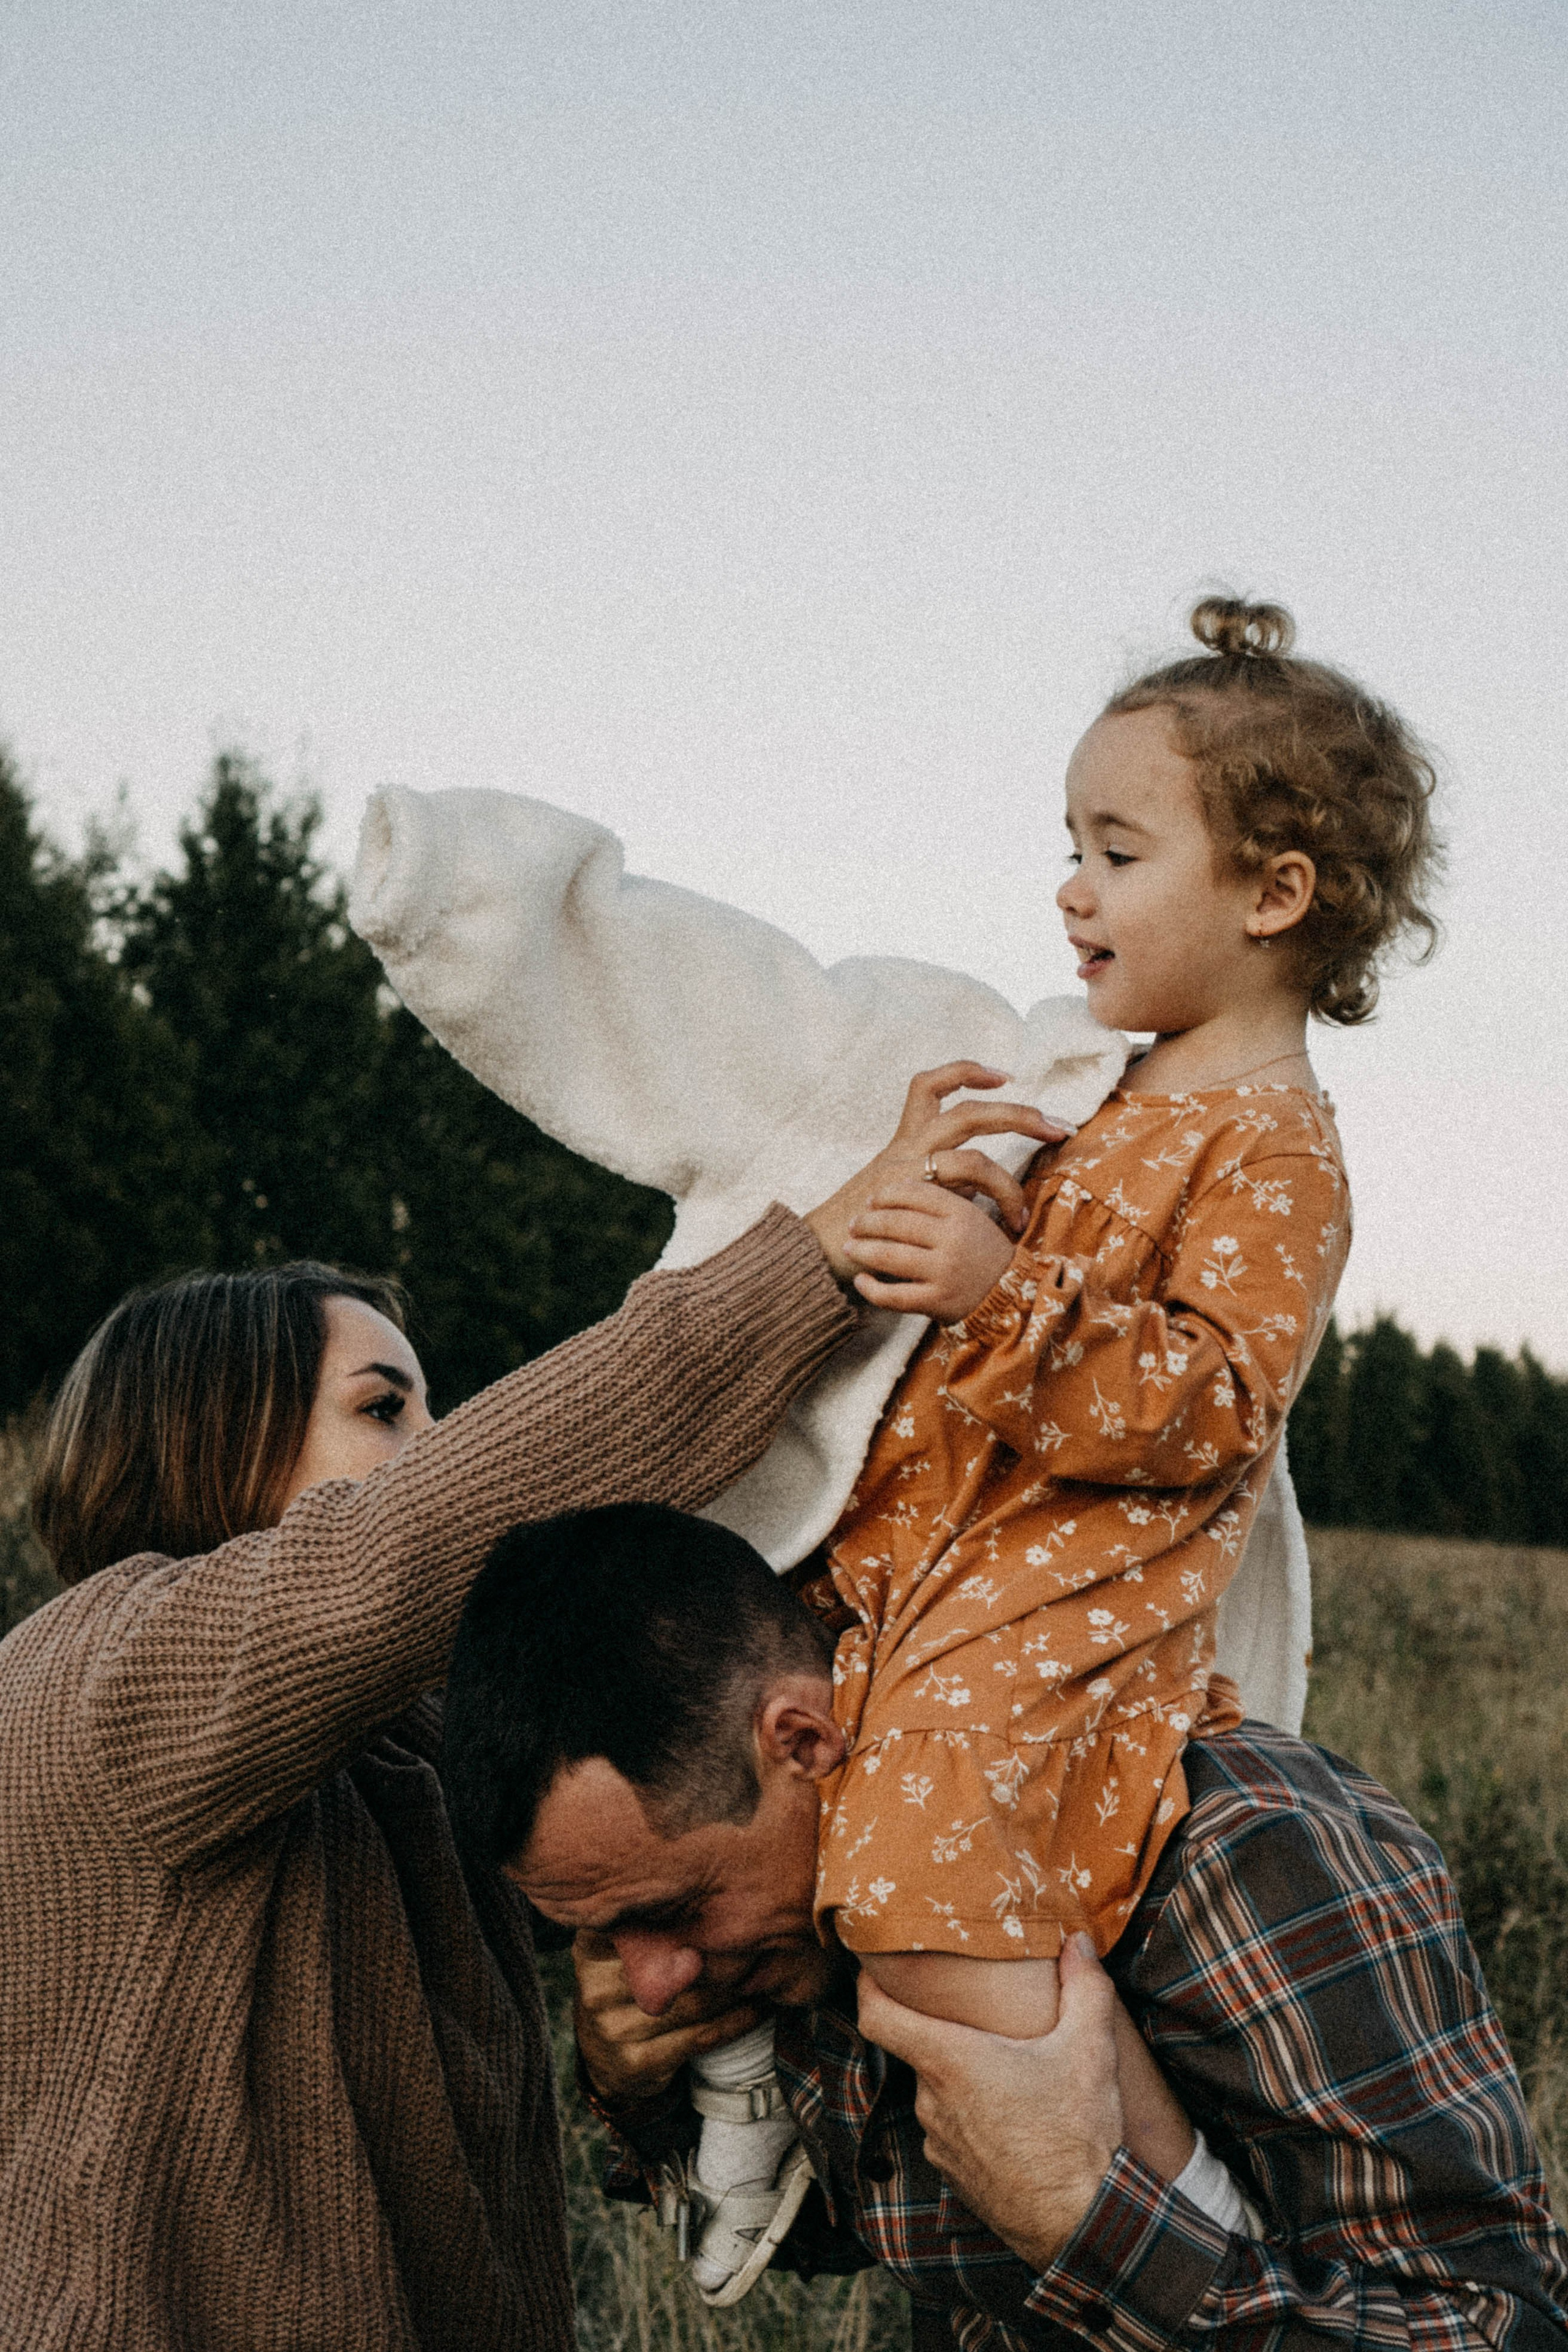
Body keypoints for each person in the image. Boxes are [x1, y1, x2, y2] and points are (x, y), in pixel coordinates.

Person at [636, 594, 1441, 2298]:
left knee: (926, 1913)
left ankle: (1166, 2205)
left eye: (1117, 852)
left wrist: (1004, 1295)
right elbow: (997, 1291)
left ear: (1273, 895)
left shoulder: (1274, 1145)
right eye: (1070, 847)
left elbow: (1213, 1407)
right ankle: (747, 2074)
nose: (1071, 888)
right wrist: (956, 1200)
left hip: (1047, 1627)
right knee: (710, 1772)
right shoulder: (1097, 1094)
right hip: (913, 1578)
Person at [0, 1076, 1050, 2352]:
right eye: (385, 1409)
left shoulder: (411, 1745)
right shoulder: (102, 1684)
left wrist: (622, 2067)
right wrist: (809, 1264)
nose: (437, 1444)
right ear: (207, 1436)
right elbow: (409, 1543)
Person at [440, 1502, 1568, 2351]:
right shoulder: (813, 1924)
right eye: (596, 1936)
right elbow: (872, 2228)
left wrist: (1091, 2223)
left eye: (671, 1911)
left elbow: (1494, 2328)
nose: (649, 1983)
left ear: (803, 1744)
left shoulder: (1239, 1856)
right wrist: (642, 2104)